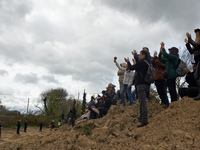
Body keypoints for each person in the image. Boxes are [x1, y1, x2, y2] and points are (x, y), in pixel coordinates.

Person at [125, 50, 150, 127]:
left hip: (141, 85)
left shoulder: (141, 63)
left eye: (140, 55)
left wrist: (128, 62)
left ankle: (144, 120)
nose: (138, 56)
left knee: (142, 102)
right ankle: (141, 117)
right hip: (147, 85)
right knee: (142, 101)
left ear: (143, 56)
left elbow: (131, 68)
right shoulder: (147, 63)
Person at [185, 28, 200, 100]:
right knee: (197, 76)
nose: (196, 34)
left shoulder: (198, 42)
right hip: (197, 61)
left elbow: (196, 45)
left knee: (197, 76)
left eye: (197, 33)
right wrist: (187, 43)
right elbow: (191, 51)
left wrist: (190, 39)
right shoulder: (196, 43)